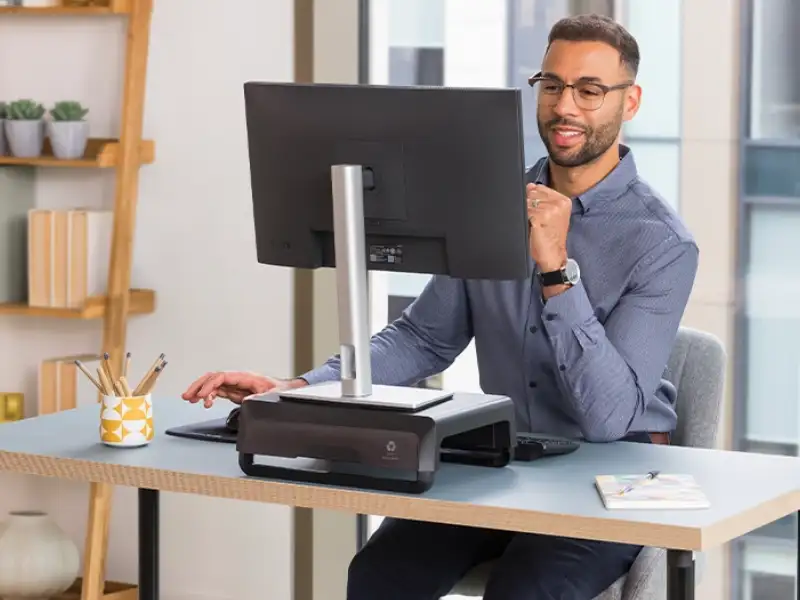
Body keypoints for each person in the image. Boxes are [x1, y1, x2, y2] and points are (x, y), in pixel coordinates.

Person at [183, 13, 698, 600]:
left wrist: (556, 269)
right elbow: (423, 339)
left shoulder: (662, 244)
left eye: (590, 90)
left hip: (610, 472)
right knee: (379, 575)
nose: (566, 107)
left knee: (525, 591)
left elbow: (609, 419)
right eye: (552, 85)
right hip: (512, 457)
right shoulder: (491, 201)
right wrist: (297, 389)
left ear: (628, 102)